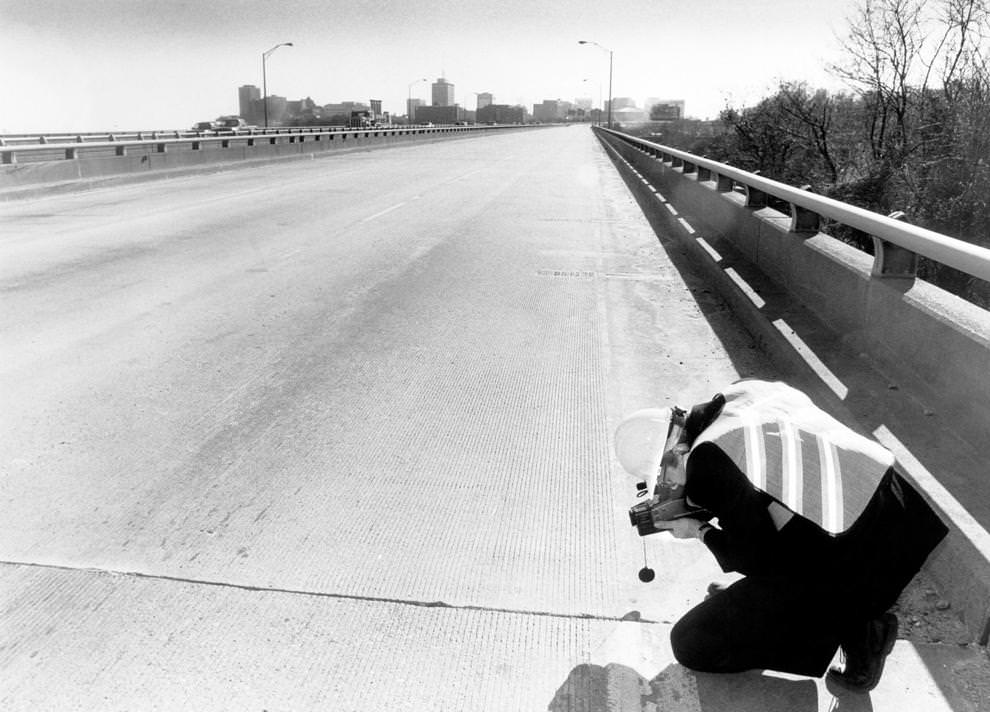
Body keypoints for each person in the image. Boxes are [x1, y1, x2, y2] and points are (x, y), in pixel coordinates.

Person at [614, 379, 948, 692]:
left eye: (662, 473)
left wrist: (698, 530)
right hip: (893, 517)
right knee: (742, 595)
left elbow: (751, 555)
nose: (666, 484)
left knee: (690, 642)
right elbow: (761, 492)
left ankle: (861, 629)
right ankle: (811, 605)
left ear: (677, 448)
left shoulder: (706, 459)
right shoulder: (739, 395)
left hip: (860, 563)